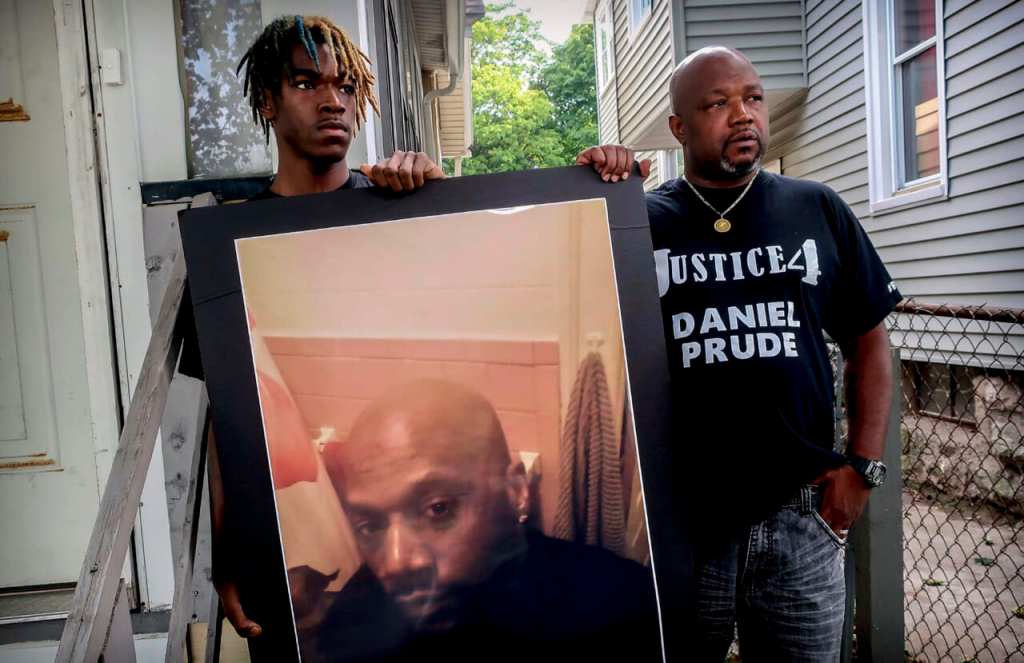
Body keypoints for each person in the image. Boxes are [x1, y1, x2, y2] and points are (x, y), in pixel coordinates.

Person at [577, 46, 899, 662]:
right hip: (681, 524)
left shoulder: (816, 208)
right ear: (679, 126)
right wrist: (595, 190)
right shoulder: (639, 222)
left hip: (800, 516)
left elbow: (869, 339)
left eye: (752, 97)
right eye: (717, 103)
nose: (743, 114)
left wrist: (862, 468)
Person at [182, 14, 446, 640]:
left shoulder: (401, 209)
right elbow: (230, 420)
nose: (334, 101)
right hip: (306, 533)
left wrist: (438, 206)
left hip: (414, 515)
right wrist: (227, 557)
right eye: (307, 83)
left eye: (347, 86)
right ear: (268, 102)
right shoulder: (228, 247)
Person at [311, 380, 662, 663]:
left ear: (516, 490)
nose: (396, 562)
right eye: (371, 526)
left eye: (438, 508)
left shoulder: (624, 611)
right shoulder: (351, 624)